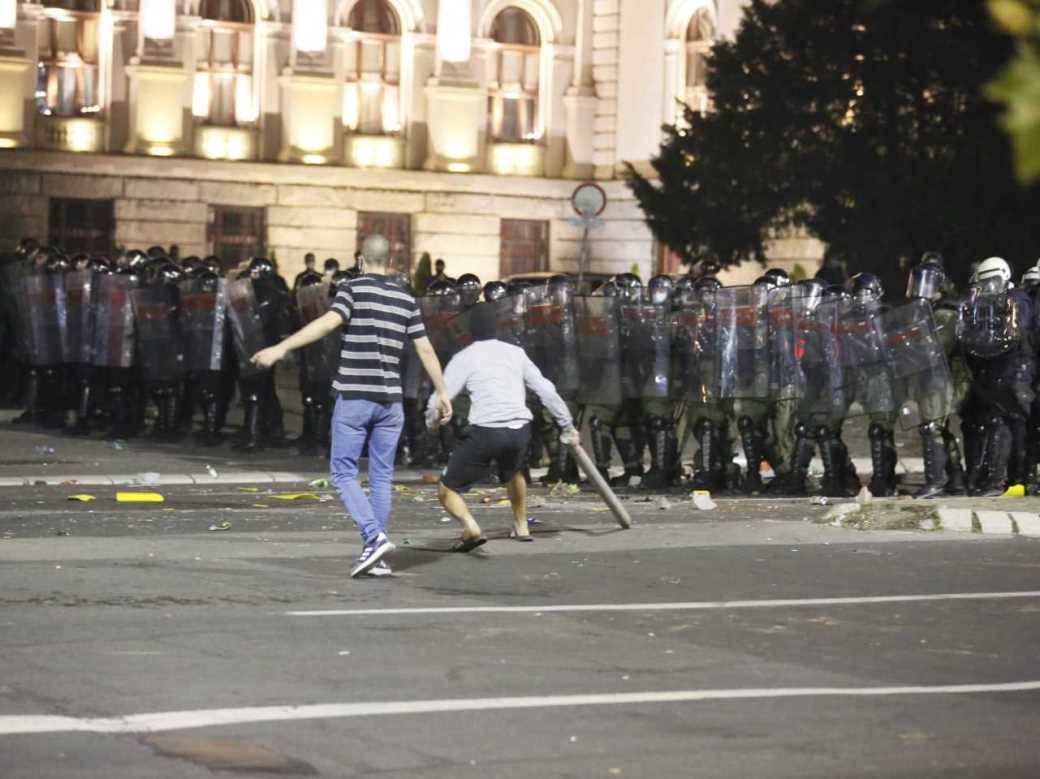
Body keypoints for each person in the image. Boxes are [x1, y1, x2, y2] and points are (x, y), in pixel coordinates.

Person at [252, 236, 451, 578]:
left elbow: (328, 323)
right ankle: (378, 556)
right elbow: (426, 349)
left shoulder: (353, 289)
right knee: (382, 477)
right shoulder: (406, 298)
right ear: (389, 261)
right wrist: (443, 392)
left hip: (356, 396)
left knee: (343, 472)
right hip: (391, 402)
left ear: (361, 260)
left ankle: (374, 539)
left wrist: (282, 347)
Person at [426, 302, 578, 550]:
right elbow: (545, 389)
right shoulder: (515, 353)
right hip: (520, 429)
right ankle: (521, 526)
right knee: (514, 471)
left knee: (447, 488)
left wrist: (431, 424)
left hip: (486, 431)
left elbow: (440, 398)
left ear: (471, 329)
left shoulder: (465, 356)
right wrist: (567, 425)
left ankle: (470, 526)